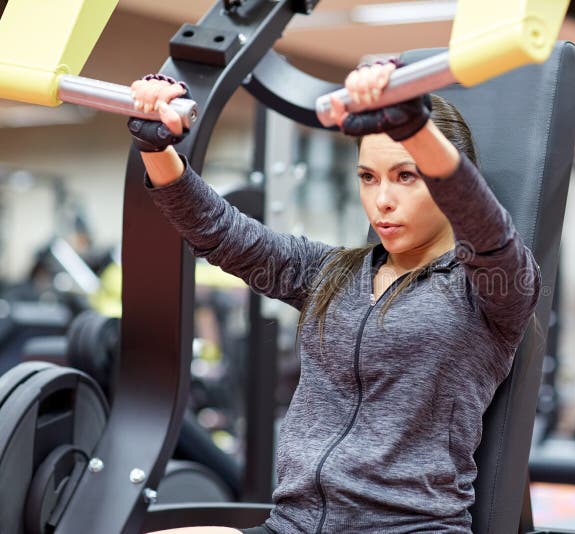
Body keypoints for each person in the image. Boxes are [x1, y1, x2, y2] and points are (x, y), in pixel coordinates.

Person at [131, 61, 540, 534]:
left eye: (406, 176)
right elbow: (221, 233)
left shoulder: (492, 287)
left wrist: (416, 128)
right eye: (369, 177)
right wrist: (155, 144)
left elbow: (490, 234)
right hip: (294, 525)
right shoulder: (331, 273)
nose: (382, 199)